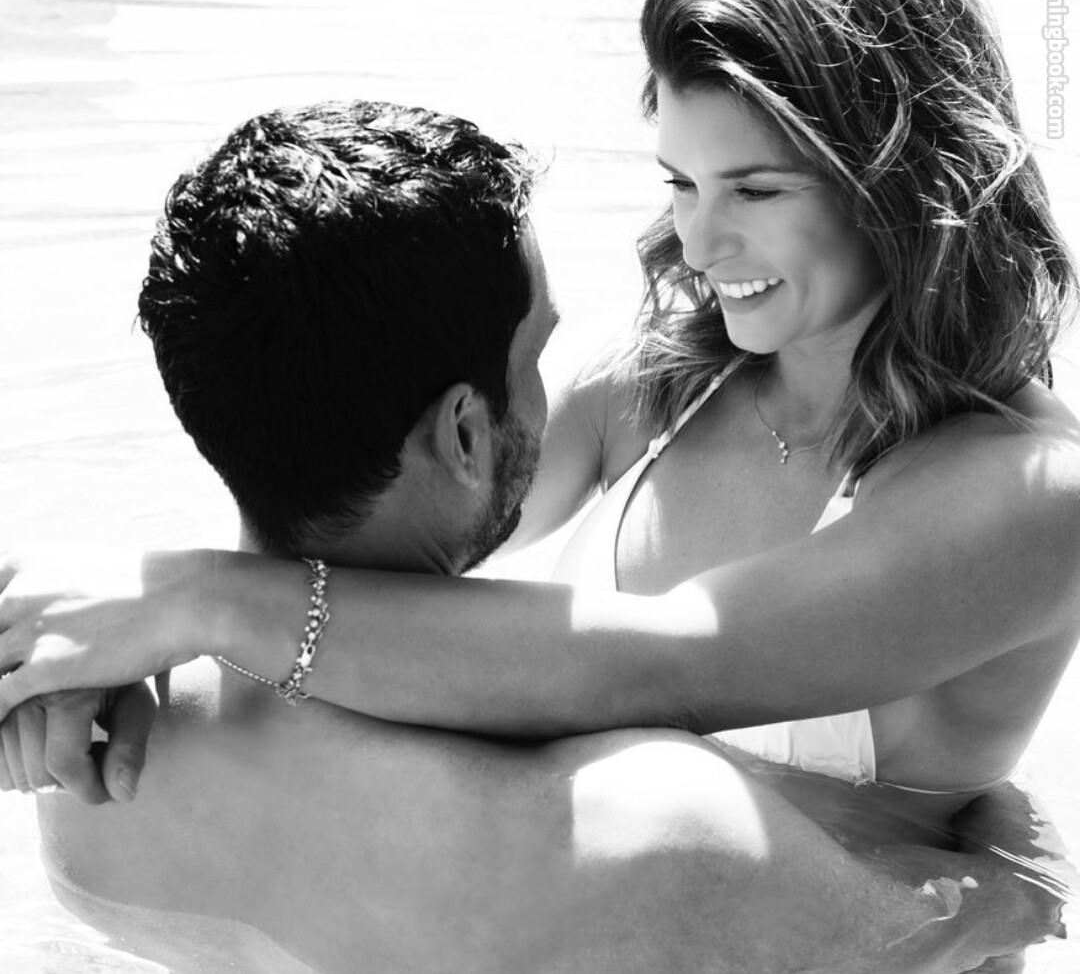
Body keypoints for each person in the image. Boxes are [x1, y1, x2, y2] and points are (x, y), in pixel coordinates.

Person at [1, 0, 1079, 811]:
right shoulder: (661, 376)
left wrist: (193, 599)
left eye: (754, 191)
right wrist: (111, 658)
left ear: (901, 180)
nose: (700, 245)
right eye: (680, 183)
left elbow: (667, 666)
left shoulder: (1031, 494)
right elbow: (369, 542)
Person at [6, 97, 1059, 974]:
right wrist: (1010, 864)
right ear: (467, 433)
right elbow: (930, 933)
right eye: (538, 355)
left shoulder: (89, 763)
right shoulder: (650, 823)